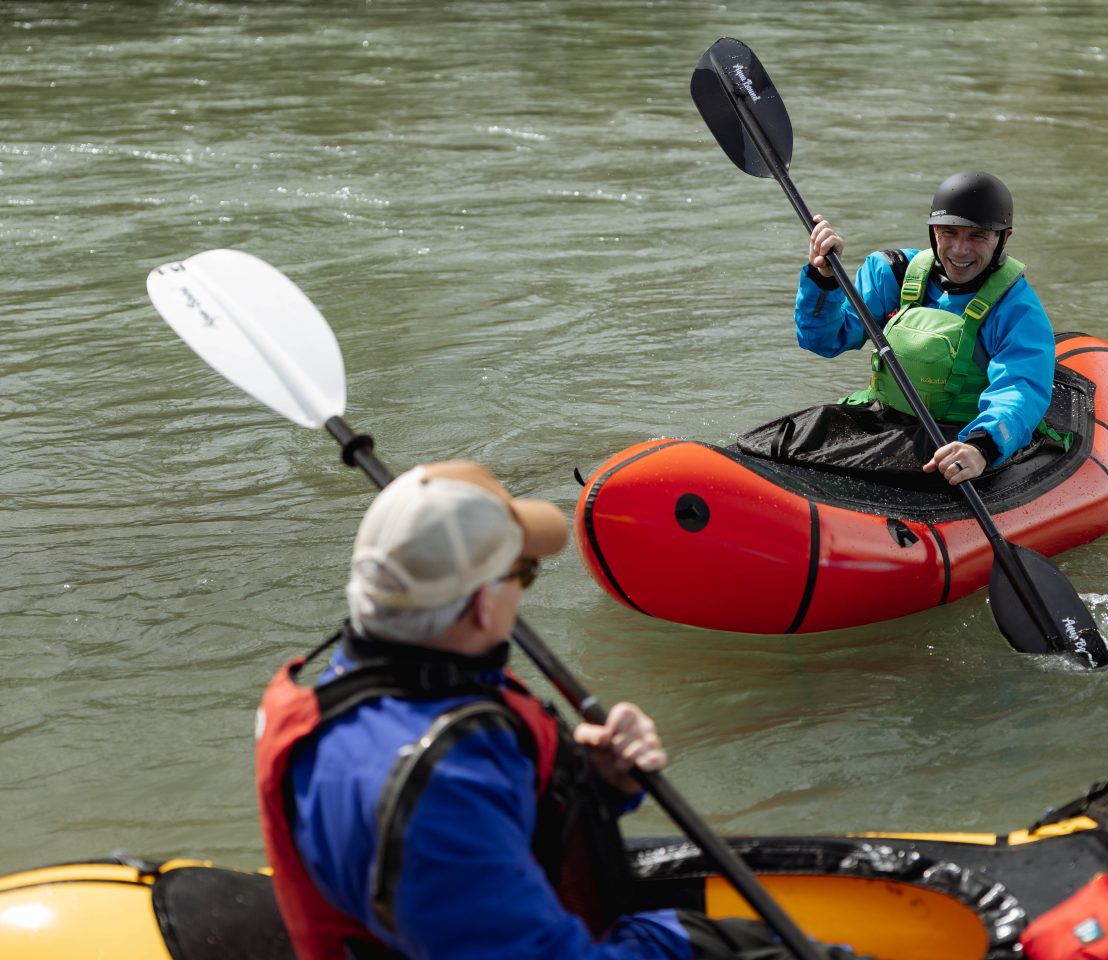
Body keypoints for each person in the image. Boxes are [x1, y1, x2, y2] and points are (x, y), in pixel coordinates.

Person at [255, 460, 868, 960]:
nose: (524, 588)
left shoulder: (340, 692)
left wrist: (592, 783)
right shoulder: (444, 781)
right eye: (522, 573)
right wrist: (680, 941)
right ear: (478, 607)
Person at [738, 171, 1058, 487]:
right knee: (781, 445)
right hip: (883, 418)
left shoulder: (1016, 309)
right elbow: (823, 339)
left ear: (1003, 237)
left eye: (977, 236)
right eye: (949, 232)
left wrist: (982, 447)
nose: (960, 250)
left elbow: (1021, 388)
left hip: (958, 435)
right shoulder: (894, 273)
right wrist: (823, 280)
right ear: (933, 231)